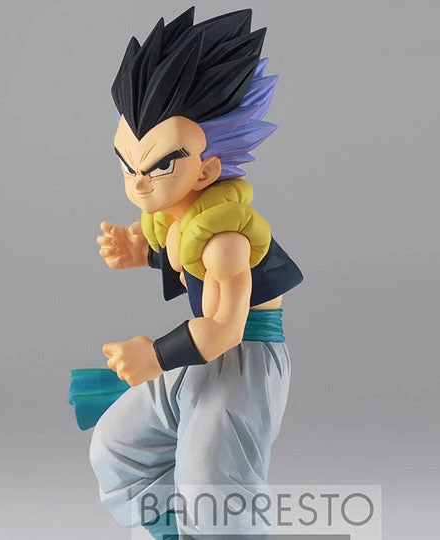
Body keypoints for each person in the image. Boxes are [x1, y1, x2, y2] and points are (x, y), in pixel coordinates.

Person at [68, 7, 303, 539]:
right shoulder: (177, 219)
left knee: (213, 490)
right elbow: (177, 255)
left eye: (158, 166)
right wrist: (141, 252)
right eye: (128, 163)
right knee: (117, 446)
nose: (138, 182)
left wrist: (154, 355)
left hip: (241, 363)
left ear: (208, 168)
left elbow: (225, 329)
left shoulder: (225, 241)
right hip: (194, 356)